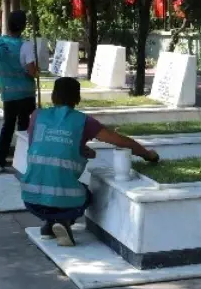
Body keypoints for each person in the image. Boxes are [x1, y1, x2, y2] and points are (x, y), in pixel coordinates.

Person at [21, 77, 160, 246]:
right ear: (77, 99)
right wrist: (147, 154)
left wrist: (79, 149)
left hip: (30, 197)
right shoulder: (83, 121)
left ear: (53, 96)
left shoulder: (37, 115)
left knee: (54, 190)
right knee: (87, 194)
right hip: (63, 198)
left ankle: (49, 225)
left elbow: (40, 146)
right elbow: (120, 141)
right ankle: (64, 221)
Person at [0, 10, 38, 174]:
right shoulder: (25, 45)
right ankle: (25, 160)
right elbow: (32, 71)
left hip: (7, 92)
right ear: (23, 26)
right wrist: (37, 71)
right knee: (26, 127)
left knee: (8, 125)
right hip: (26, 93)